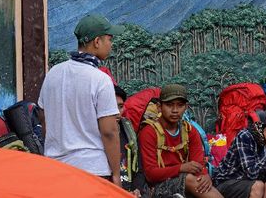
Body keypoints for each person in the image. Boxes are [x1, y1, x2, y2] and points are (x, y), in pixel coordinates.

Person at [38, 14, 124, 185]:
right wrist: (115, 174)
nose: (111, 44)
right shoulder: (100, 79)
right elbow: (109, 131)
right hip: (92, 170)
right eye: (109, 39)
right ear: (97, 41)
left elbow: (43, 118)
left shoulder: (53, 73)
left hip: (56, 170)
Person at [139, 84, 222, 198]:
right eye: (169, 105)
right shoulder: (149, 132)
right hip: (155, 188)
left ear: (186, 107)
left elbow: (198, 164)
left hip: (186, 180)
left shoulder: (189, 130)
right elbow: (150, 174)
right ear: (159, 107)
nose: (175, 110)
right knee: (189, 179)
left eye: (180, 105)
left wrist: (204, 175)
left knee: (200, 182)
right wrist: (181, 168)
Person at [214, 106, 266, 198]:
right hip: (228, 182)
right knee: (258, 186)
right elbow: (252, 173)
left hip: (257, 179)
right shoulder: (245, 136)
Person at [115, 85, 147, 197]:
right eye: (111, 106)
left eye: (120, 106)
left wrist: (136, 189)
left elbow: (140, 170)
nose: (116, 112)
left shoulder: (128, 131)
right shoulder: (93, 135)